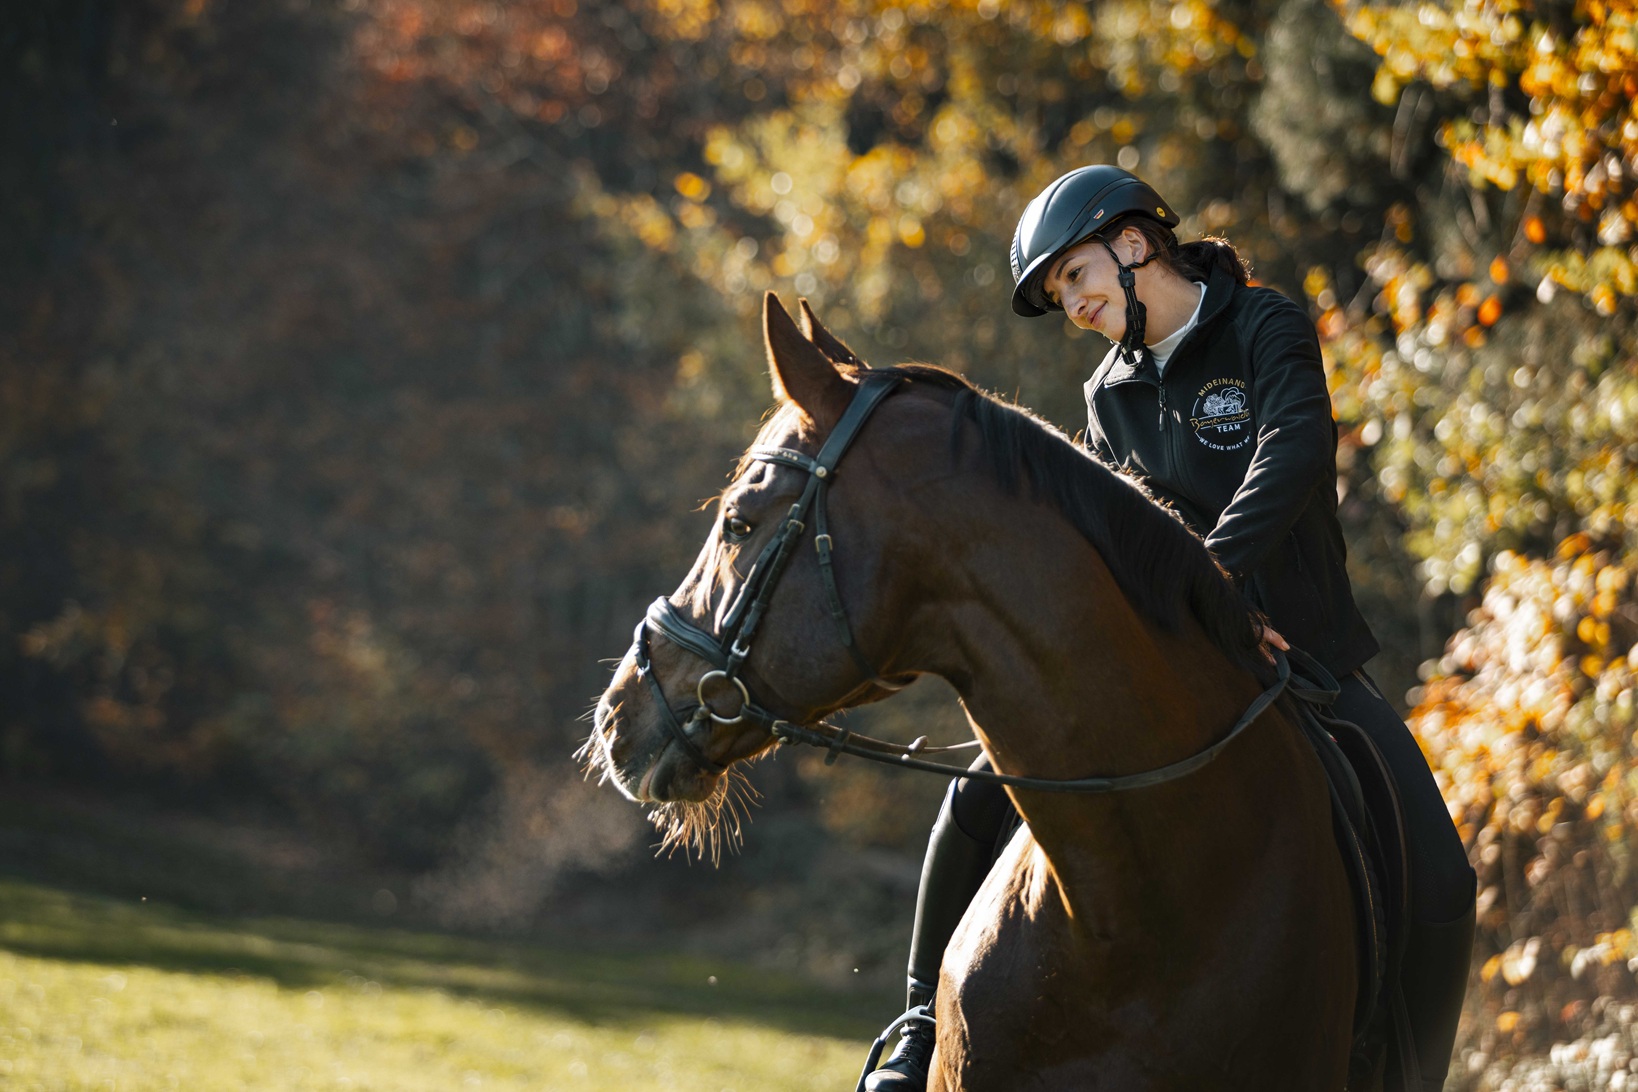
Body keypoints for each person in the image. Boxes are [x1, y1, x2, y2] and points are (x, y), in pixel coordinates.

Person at [863, 165, 1477, 1092]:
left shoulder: (1263, 325)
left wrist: (1220, 580)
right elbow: (1108, 546)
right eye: (1057, 293)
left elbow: (1297, 447)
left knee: (1442, 878)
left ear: (1135, 243)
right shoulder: (1106, 395)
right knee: (980, 791)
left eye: (1074, 276)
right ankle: (914, 1030)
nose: (1070, 303)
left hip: (1307, 663)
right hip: (1165, 663)